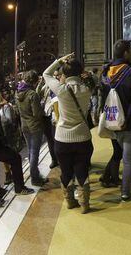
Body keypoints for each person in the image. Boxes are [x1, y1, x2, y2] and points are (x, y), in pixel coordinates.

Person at [43, 53, 94, 214]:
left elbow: (46, 74)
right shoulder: (87, 89)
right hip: (83, 138)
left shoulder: (61, 89)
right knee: (82, 171)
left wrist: (59, 61)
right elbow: (92, 79)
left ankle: (70, 202)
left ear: (64, 74)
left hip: (62, 140)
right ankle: (84, 204)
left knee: (66, 172)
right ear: (80, 72)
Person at [101, 40, 131, 201]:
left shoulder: (106, 73)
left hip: (113, 121)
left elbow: (103, 98)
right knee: (129, 159)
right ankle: (125, 192)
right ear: (125, 53)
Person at [16, 71, 49, 186]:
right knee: (34, 152)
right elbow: (37, 113)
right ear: (34, 81)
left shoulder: (18, 92)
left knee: (31, 150)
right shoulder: (32, 94)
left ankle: (35, 173)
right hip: (34, 126)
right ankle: (35, 178)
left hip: (24, 125)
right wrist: (42, 105)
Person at [36, 78, 59, 169]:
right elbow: (38, 94)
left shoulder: (57, 88)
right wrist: (41, 82)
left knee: (56, 139)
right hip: (45, 115)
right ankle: (54, 159)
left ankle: (59, 159)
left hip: (54, 116)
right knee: (49, 139)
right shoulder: (44, 87)